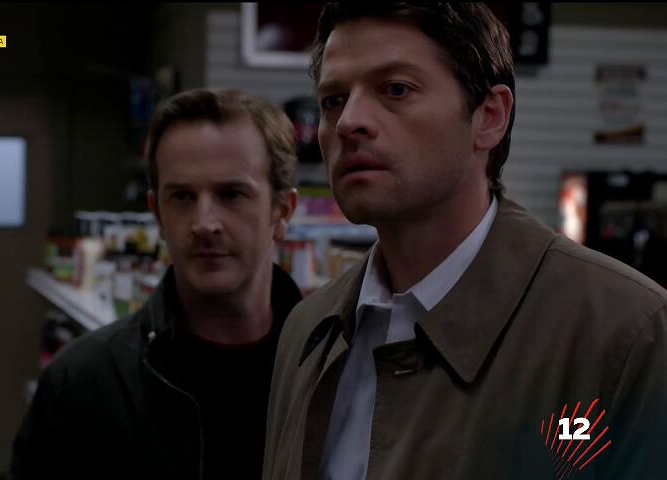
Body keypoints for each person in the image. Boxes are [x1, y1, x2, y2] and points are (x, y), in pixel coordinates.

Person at [263, 3, 667, 479]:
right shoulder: (309, 331)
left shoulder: (622, 333)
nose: (349, 121)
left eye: (396, 89)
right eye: (333, 100)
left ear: (490, 116)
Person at [12, 88, 302, 479]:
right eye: (182, 196)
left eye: (231, 194)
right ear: (158, 215)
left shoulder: (332, 374)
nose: (204, 223)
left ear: (282, 211)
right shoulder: (82, 384)